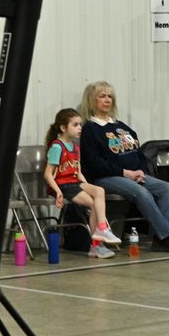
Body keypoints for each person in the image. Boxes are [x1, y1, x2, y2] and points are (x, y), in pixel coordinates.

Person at [79, 81, 169, 252]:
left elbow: (138, 153)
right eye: (102, 96)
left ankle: (159, 238)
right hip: (105, 178)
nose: (107, 100)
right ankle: (167, 235)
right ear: (92, 100)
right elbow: (94, 163)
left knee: (167, 189)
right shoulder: (90, 129)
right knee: (141, 192)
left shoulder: (121, 126)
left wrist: (140, 172)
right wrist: (125, 173)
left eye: (110, 96)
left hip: (132, 175)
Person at [42, 108, 121, 259]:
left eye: (80, 124)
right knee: (93, 204)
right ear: (63, 127)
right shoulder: (57, 147)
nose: (79, 128)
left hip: (74, 182)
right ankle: (97, 244)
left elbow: (78, 173)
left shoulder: (76, 147)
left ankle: (101, 232)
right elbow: (48, 174)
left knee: (99, 191)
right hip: (62, 185)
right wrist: (57, 191)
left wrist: (88, 187)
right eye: (75, 125)